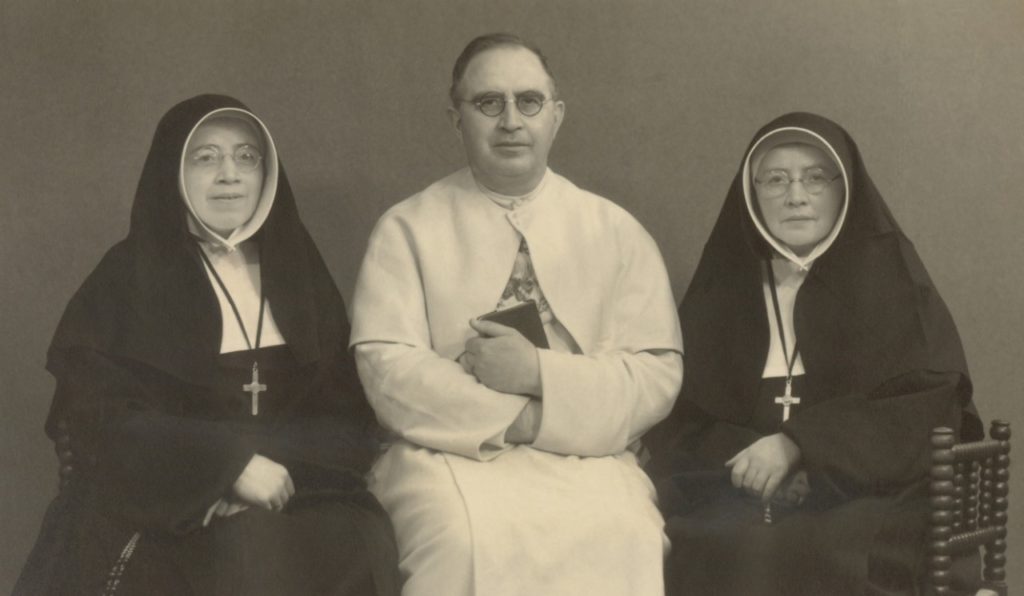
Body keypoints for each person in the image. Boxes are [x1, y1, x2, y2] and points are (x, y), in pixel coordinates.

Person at [14, 94, 399, 595]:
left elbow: (346, 416)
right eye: (205, 158)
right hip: (162, 503)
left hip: (297, 491)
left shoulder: (299, 272)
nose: (229, 176)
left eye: (246, 157)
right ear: (172, 172)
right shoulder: (126, 276)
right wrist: (224, 470)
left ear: (266, 173)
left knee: (345, 546)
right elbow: (97, 419)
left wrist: (268, 476)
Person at [349, 33, 683, 596]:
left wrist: (539, 376)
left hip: (588, 455)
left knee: (627, 533)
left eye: (529, 102)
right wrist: (523, 421)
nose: (510, 121)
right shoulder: (406, 228)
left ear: (556, 116)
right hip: (446, 451)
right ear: (456, 120)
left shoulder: (616, 231)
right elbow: (389, 372)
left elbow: (655, 375)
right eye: (488, 103)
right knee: (461, 541)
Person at [646, 112, 982, 595]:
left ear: (846, 190)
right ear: (750, 194)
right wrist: (752, 465)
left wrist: (801, 448)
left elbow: (927, 408)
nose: (796, 196)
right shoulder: (723, 291)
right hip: (739, 492)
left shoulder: (893, 284)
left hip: (869, 495)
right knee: (708, 543)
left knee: (819, 553)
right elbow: (680, 421)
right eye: (775, 180)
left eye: (815, 178)